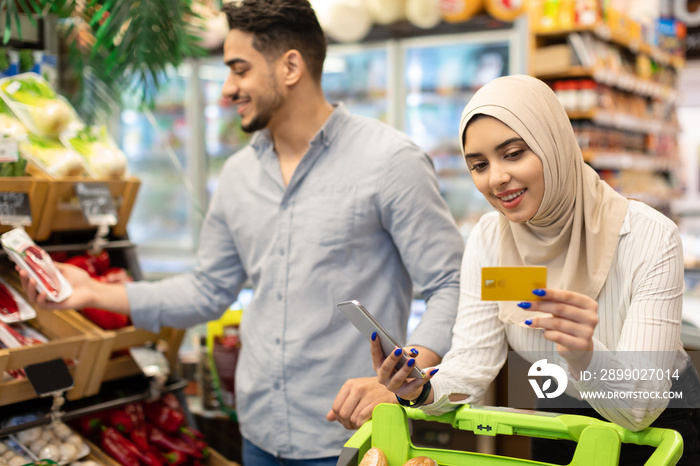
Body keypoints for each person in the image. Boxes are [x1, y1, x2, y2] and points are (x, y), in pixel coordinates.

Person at [18, 1, 465, 464]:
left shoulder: (390, 161)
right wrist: (91, 291)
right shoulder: (237, 174)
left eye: (239, 69)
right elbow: (207, 289)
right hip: (258, 433)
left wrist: (404, 375)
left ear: (290, 66)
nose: (228, 87)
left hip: (355, 436)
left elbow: (450, 284)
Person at [371, 74, 700, 465]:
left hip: (659, 435)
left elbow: (640, 409)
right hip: (558, 423)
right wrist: (420, 389)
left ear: (554, 144)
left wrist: (585, 355)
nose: (496, 178)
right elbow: (472, 364)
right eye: (479, 164)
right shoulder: (491, 240)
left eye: (513, 154)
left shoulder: (648, 237)